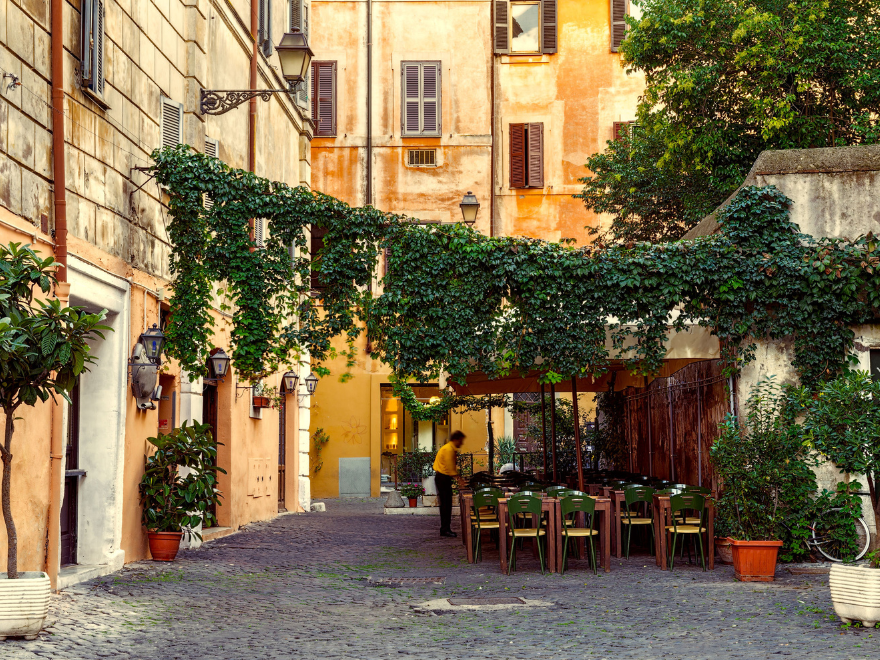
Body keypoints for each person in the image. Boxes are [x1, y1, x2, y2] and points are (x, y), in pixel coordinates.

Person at [433, 430, 465, 538]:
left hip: (442, 477)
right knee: (446, 504)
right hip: (443, 478)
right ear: (456, 440)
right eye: (461, 441)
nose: (462, 443)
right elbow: (450, 468)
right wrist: (459, 480)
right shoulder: (449, 449)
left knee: (446, 504)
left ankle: (445, 528)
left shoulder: (449, 448)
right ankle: (445, 529)